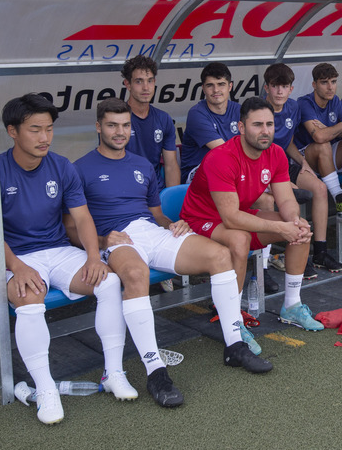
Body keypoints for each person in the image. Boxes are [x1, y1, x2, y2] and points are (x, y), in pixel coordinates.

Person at [73, 99, 271, 391]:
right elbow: (70, 226)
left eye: (126, 125)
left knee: (220, 255)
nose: (120, 132)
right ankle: (155, 371)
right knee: (136, 276)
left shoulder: (141, 164)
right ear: (98, 126)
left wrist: (173, 223)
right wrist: (103, 241)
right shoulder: (79, 168)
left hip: (152, 232)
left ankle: (234, 345)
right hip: (117, 238)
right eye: (112, 125)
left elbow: (155, 214)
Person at [0, 94, 138, 425]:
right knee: (28, 297)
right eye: (35, 130)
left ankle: (113, 373)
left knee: (109, 281)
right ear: (12, 131)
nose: (44, 138)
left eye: (49, 129)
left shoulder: (62, 166)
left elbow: (82, 218)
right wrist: (16, 267)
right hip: (16, 255)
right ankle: (46, 388)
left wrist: (94, 256)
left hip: (58, 249)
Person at [180, 97, 326, 341]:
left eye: (270, 124)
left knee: (300, 229)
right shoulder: (222, 156)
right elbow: (230, 218)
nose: (265, 131)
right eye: (257, 124)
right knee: (239, 240)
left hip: (238, 214)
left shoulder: (276, 153)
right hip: (202, 219)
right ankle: (234, 319)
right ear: (241, 127)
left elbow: (286, 200)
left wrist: (293, 221)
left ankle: (292, 306)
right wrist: (280, 226)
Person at [263, 64, 342, 275]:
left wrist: (301, 161)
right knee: (288, 200)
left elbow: (287, 141)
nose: (279, 92)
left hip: (285, 165)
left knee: (319, 188)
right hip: (263, 170)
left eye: (284, 86)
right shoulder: (259, 110)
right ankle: (292, 258)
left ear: (291, 89)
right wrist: (275, 179)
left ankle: (320, 252)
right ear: (266, 88)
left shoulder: (293, 107)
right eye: (275, 86)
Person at [294, 62, 342, 212]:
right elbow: (319, 137)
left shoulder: (335, 100)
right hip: (306, 159)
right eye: (324, 82)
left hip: (329, 154)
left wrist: (332, 130)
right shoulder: (305, 102)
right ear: (314, 84)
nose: (330, 87)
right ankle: (338, 195)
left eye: (333, 82)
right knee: (322, 145)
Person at [119, 56, 180, 190]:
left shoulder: (164, 119)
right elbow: (112, 166)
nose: (146, 88)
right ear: (127, 84)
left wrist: (172, 199)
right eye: (139, 81)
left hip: (156, 193)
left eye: (150, 81)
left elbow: (170, 165)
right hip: (127, 193)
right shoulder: (116, 119)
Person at [180, 62, 241, 183]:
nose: (216, 90)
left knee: (266, 198)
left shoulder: (239, 110)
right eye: (210, 85)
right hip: (198, 172)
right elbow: (223, 152)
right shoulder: (196, 113)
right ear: (203, 88)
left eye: (221, 84)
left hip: (231, 169)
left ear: (230, 86)